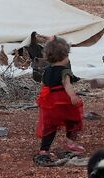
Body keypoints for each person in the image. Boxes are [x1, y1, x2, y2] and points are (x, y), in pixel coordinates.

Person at [34, 36, 85, 166]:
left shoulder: (46, 71)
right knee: (73, 120)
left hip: (49, 102)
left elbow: (43, 86)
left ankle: (44, 150)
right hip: (63, 101)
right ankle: (70, 144)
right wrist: (73, 97)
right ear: (65, 56)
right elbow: (67, 85)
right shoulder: (65, 71)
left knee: (50, 127)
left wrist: (41, 99)